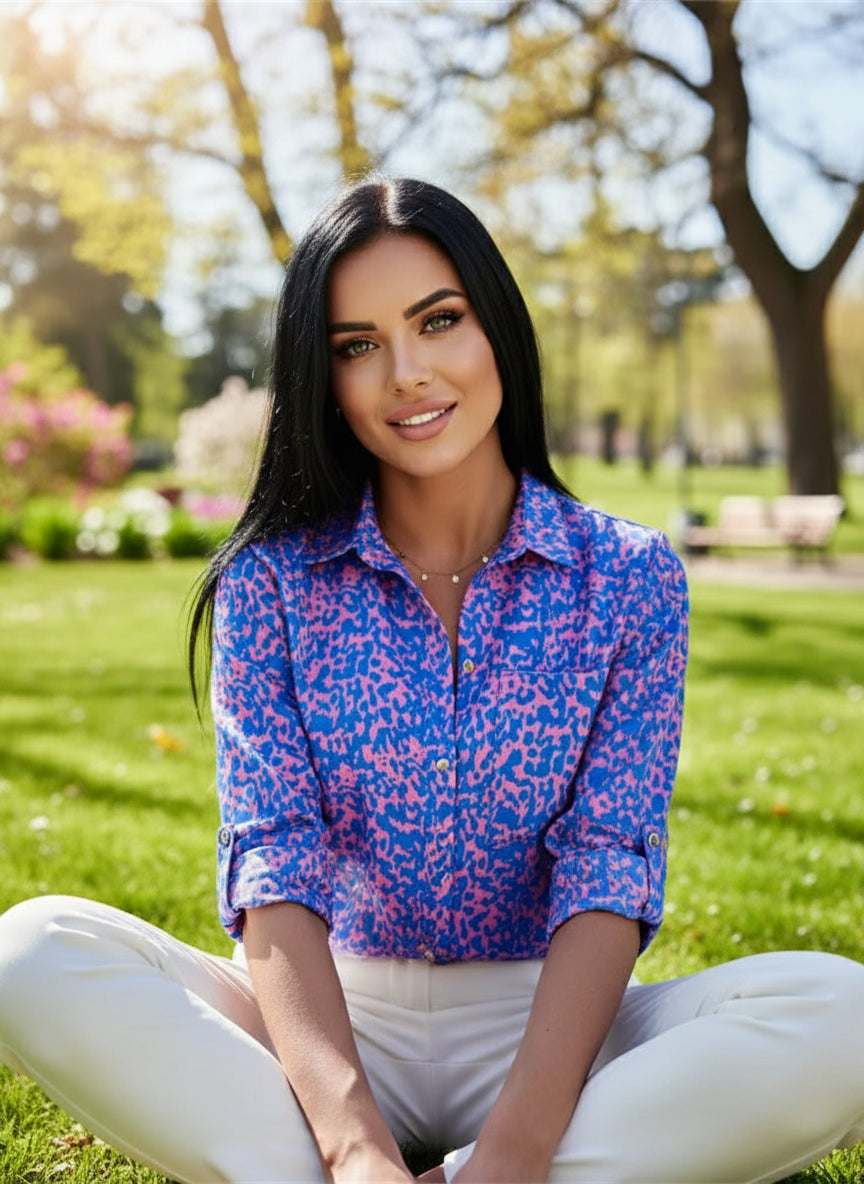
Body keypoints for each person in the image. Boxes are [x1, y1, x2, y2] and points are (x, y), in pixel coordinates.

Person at [0, 177, 863, 1184]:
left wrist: (517, 1144)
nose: (405, 373)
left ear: (495, 325)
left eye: (438, 321)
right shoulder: (271, 583)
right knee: (32, 949)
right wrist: (356, 1141)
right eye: (356, 344)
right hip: (325, 1023)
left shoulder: (629, 576)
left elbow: (607, 865)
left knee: (844, 1014)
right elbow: (274, 864)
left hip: (554, 1027)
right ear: (323, 378)